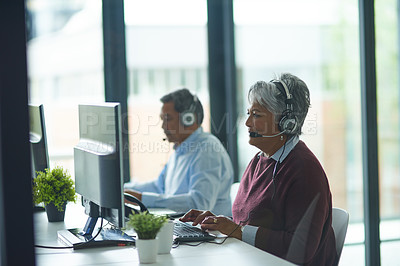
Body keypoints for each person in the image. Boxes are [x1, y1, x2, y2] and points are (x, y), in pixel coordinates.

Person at [180, 73, 338, 265]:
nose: (247, 123)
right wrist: (219, 222)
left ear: (286, 123)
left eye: (257, 115)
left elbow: (301, 248)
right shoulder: (259, 160)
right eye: (249, 114)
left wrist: (237, 231)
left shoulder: (304, 171)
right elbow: (254, 221)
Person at [124, 88, 234, 216]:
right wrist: (123, 190)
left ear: (189, 119)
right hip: (184, 227)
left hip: (209, 233)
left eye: (168, 119)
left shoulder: (207, 150)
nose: (163, 126)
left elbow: (199, 204)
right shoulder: (180, 149)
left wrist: (142, 198)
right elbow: (159, 186)